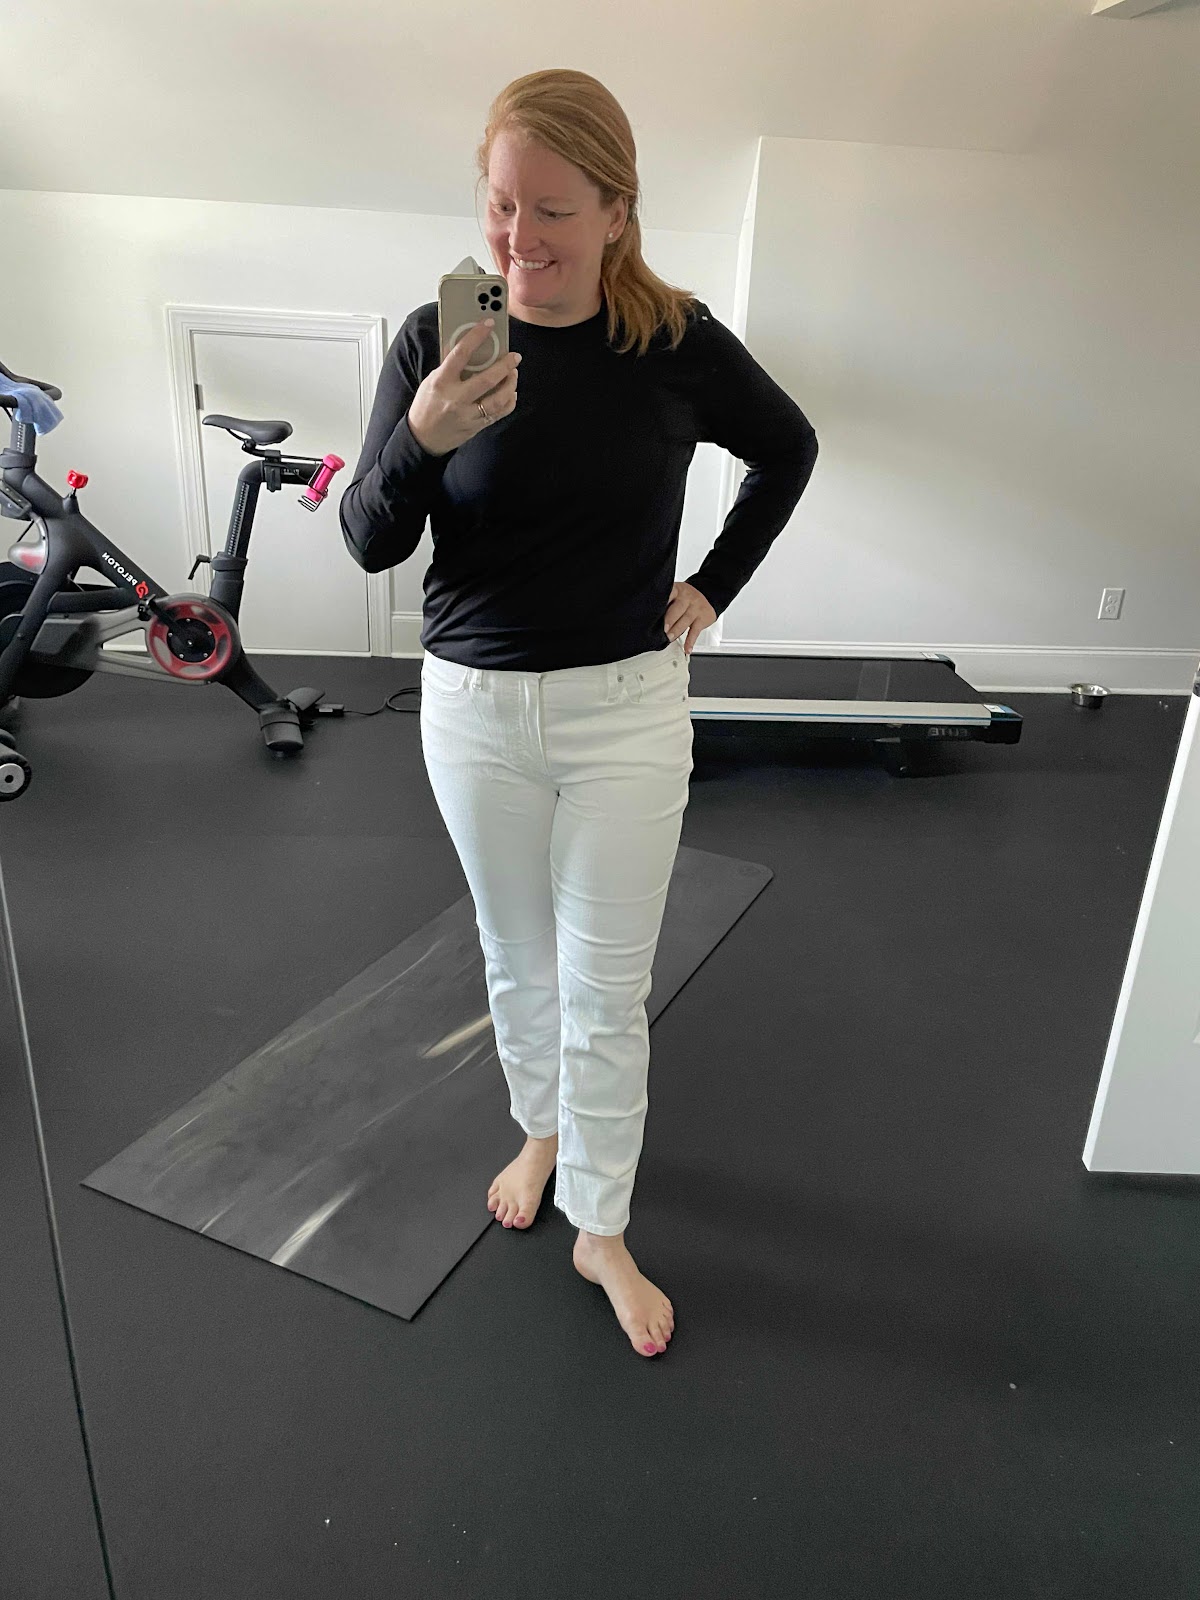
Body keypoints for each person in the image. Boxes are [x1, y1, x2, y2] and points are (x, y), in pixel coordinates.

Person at [340, 68, 818, 1359]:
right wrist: (423, 435)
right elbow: (369, 539)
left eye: (552, 211)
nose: (518, 241)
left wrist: (713, 586)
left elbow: (788, 449)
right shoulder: (439, 338)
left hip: (625, 714)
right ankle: (542, 1130)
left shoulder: (674, 341)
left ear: (617, 210)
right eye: (501, 205)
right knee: (514, 959)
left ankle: (600, 1226)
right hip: (473, 713)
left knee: (606, 991)